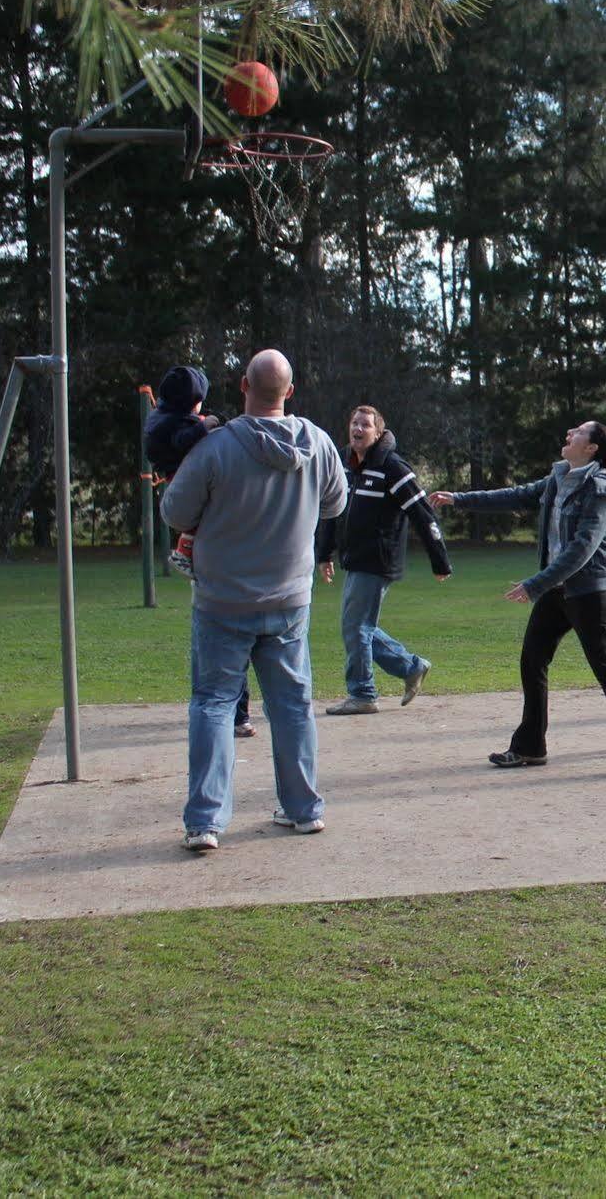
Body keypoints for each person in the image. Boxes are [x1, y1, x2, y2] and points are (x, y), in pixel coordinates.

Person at [160, 349, 347, 850]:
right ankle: (304, 809)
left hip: (222, 601)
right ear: (290, 391)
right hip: (288, 600)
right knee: (291, 706)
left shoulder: (215, 447)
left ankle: (205, 822)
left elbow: (176, 513)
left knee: (214, 705)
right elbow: (336, 503)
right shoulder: (320, 443)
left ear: (244, 384)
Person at [429, 421, 606, 777]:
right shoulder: (558, 478)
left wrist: (535, 584)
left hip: (588, 591)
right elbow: (515, 495)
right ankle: (529, 747)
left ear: (591, 449)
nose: (569, 433)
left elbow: (582, 549)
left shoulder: (600, 490)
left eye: (579, 432)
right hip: (556, 590)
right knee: (532, 661)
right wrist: (459, 499)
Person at [315, 405, 451, 715]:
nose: (358, 429)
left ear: (378, 433)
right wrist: (323, 554)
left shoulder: (393, 467)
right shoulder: (345, 466)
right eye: (354, 423)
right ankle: (410, 666)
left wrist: (439, 560)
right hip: (356, 558)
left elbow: (422, 513)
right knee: (358, 626)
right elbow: (331, 513)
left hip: (378, 558)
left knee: (356, 626)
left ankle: (363, 694)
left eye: (365, 425)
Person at [143, 366, 255, 739]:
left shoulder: (164, 415)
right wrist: (207, 425)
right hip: (177, 478)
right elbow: (184, 439)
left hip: (181, 483)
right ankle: (187, 546)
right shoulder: (174, 425)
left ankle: (232, 713)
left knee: (219, 641)